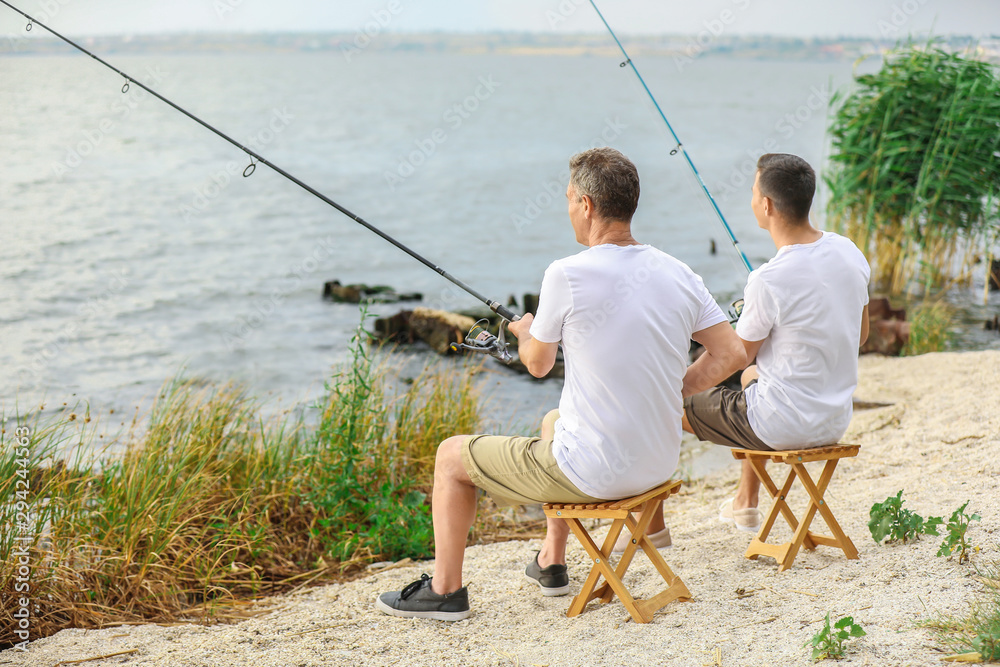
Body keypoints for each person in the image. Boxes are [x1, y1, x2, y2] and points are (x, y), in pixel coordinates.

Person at [375, 147, 746, 621]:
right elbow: (732, 353)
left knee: (450, 457)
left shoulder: (567, 273)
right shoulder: (678, 272)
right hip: (657, 463)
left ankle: (446, 592)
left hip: (599, 473)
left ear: (587, 205)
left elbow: (536, 363)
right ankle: (552, 562)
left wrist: (525, 333)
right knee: (555, 418)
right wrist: (673, 390)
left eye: (570, 199)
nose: (568, 208)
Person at [636, 153, 871, 539]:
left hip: (782, 427)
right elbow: (860, 337)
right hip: (833, 419)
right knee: (752, 378)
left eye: (752, 192)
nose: (751, 201)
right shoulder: (850, 252)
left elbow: (731, 357)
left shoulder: (769, 279)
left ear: (766, 205)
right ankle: (746, 502)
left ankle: (654, 527)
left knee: (663, 407)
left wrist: (672, 390)